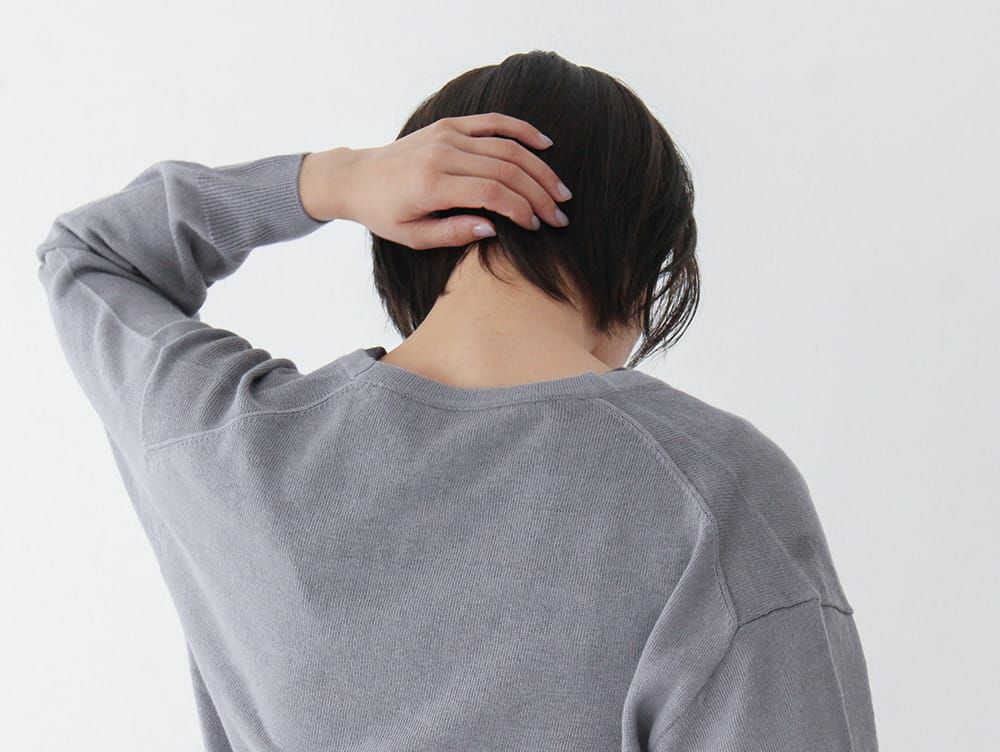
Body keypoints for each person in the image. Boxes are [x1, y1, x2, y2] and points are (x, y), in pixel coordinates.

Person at [36, 50, 878, 751]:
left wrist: (331, 181)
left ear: (406, 234)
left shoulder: (229, 444)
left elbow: (87, 257)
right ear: (641, 259)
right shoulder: (714, 492)